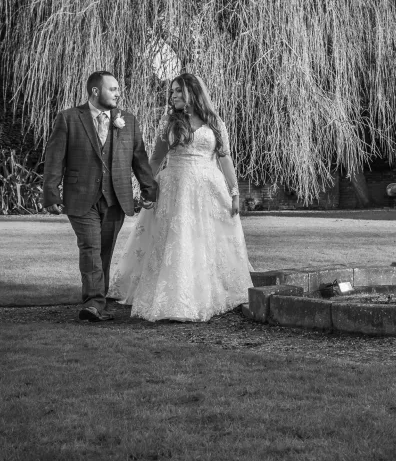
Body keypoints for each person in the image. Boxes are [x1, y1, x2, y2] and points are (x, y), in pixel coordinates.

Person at [108, 73, 254, 322]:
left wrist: (235, 191)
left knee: (207, 240)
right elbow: (155, 158)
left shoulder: (214, 121)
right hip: (175, 187)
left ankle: (208, 289)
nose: (173, 96)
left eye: (177, 91)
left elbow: (224, 157)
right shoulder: (169, 122)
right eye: (172, 91)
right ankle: (174, 293)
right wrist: (146, 188)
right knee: (177, 239)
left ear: (192, 93)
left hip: (209, 189)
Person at [42, 71, 159, 322]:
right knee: (90, 247)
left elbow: (139, 158)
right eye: (113, 89)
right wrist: (51, 193)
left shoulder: (128, 120)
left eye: (118, 89)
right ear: (95, 91)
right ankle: (94, 303)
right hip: (80, 196)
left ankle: (97, 301)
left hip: (116, 197)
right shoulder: (68, 118)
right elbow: (54, 159)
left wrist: (149, 189)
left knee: (104, 251)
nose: (118, 93)